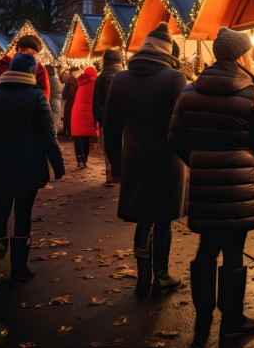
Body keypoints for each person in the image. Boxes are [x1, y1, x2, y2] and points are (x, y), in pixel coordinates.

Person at [168, 26, 254, 340]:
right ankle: (232, 319)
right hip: (241, 185)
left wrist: (200, 160)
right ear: (242, 55)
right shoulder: (252, 93)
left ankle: (202, 322)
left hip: (205, 183)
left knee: (206, 248)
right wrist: (245, 162)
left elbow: (175, 140)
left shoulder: (188, 92)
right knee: (233, 250)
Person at [104, 23, 186, 297]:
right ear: (167, 52)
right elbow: (180, 123)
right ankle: (160, 274)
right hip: (166, 154)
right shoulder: (174, 78)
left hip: (133, 153)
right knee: (163, 216)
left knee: (143, 217)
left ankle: (142, 277)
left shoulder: (120, 79)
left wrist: (116, 162)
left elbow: (111, 126)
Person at [0, 53, 65, 282]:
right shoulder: (36, 97)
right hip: (28, 162)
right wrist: (57, 166)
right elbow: (46, 136)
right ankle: (19, 268)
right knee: (23, 214)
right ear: (32, 72)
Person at [0, 35, 50, 100]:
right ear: (17, 50)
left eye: (32, 54)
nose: (26, 55)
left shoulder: (40, 70)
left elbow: (44, 96)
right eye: (23, 51)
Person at [94, 47, 124, 187]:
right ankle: (124, 173)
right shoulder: (125, 76)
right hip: (124, 118)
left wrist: (98, 119)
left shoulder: (101, 78)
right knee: (123, 146)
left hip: (106, 119)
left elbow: (96, 101)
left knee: (109, 148)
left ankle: (110, 176)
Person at [70, 65, 98, 168]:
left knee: (77, 137)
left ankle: (79, 159)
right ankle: (84, 158)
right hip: (88, 113)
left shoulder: (81, 83)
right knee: (86, 137)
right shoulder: (96, 84)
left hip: (76, 113)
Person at [62, 66, 80, 138]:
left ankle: (70, 134)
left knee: (69, 118)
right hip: (78, 102)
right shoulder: (81, 81)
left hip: (70, 103)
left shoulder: (69, 81)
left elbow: (64, 95)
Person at [48, 65, 64, 134]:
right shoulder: (57, 81)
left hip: (51, 103)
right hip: (57, 104)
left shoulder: (48, 81)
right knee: (55, 120)